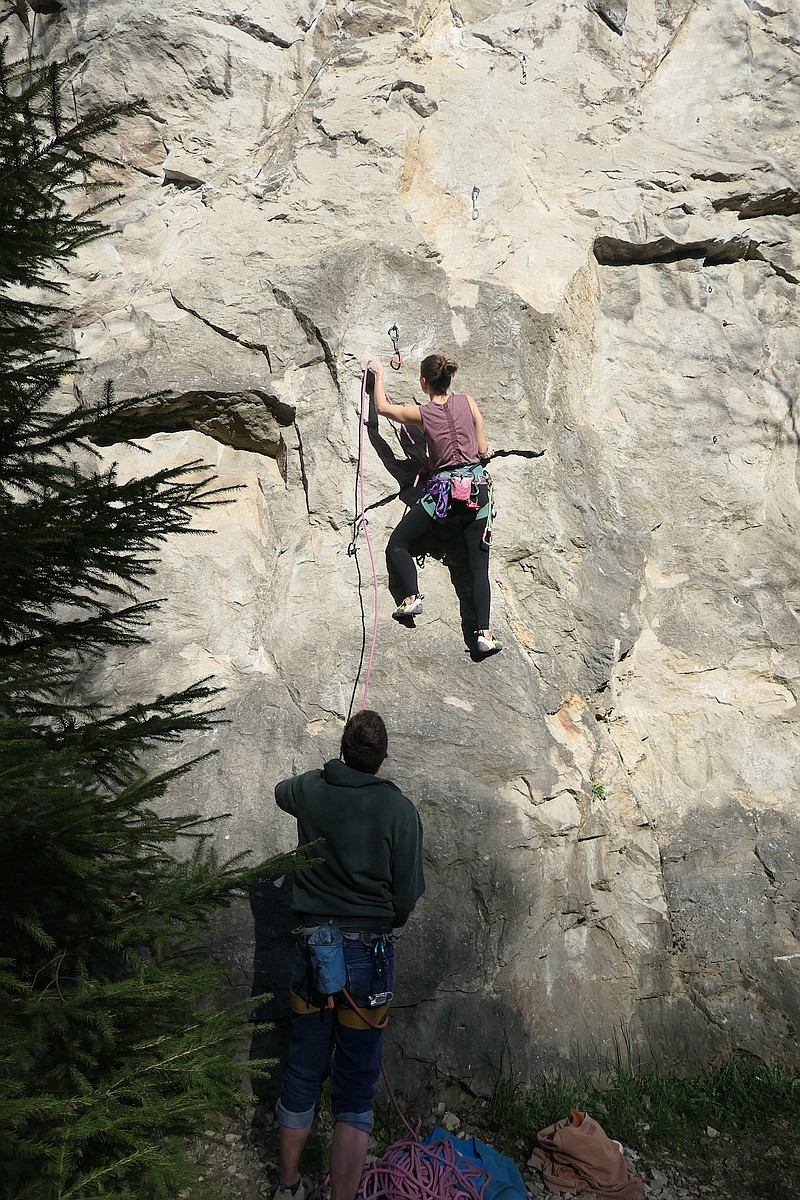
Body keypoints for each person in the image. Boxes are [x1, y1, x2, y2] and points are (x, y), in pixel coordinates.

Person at [273, 710, 425, 1200]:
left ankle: (289, 1186)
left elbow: (281, 791)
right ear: (383, 757)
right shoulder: (398, 811)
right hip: (369, 957)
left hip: (313, 952)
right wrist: (387, 922)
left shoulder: (312, 791)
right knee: (356, 1084)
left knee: (302, 1069)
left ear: (342, 748)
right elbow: (406, 894)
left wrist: (325, 775)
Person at [368, 353, 502, 656]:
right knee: (478, 571)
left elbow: (382, 408)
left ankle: (412, 598)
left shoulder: (423, 413)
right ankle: (484, 635)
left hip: (442, 499)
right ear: (449, 379)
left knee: (398, 543)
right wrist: (482, 450)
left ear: (424, 382)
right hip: (476, 496)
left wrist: (378, 374)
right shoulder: (468, 402)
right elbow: (482, 449)